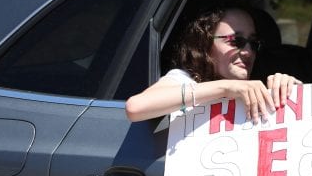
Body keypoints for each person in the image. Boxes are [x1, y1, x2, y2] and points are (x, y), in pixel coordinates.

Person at [125, 7, 301, 123]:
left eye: (254, 43)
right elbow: (135, 107)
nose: (248, 52)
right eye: (236, 41)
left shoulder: (260, 82)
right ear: (206, 43)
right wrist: (225, 88)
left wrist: (288, 91)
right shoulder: (185, 80)